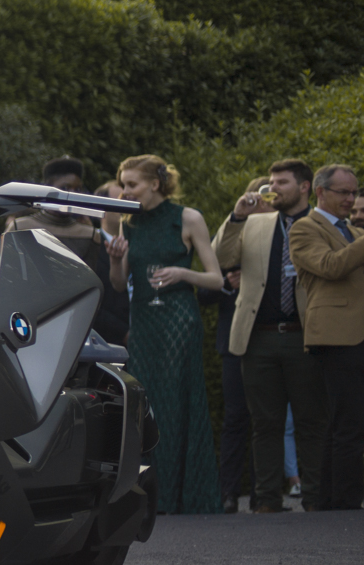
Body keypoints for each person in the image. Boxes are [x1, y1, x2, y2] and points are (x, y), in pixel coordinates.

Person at [107, 154, 223, 514]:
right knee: (148, 406)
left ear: (155, 184)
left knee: (177, 401)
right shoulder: (128, 221)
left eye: (132, 184)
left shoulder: (188, 218)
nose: (125, 191)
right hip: (143, 322)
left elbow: (216, 279)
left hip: (178, 320)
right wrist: (114, 259)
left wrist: (182, 273)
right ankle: (152, 496)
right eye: (123, 185)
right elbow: (118, 284)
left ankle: (182, 495)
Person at [212, 160, 327, 513]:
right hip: (258, 336)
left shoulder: (320, 224)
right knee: (265, 423)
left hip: (305, 334)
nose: (273, 188)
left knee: (311, 421)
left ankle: (316, 497)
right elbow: (219, 257)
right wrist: (236, 217)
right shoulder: (255, 222)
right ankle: (265, 500)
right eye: (271, 182)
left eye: (282, 182)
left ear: (304, 187)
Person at [289, 165, 364, 511]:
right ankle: (343, 500)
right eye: (343, 192)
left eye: (354, 192)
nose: (351, 199)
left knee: (346, 421)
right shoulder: (305, 228)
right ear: (320, 192)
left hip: (356, 333)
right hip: (336, 335)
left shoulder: (352, 231)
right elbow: (331, 266)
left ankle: (329, 499)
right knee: (347, 421)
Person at [11, 156, 130, 346]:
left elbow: (90, 289)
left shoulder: (90, 235)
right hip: (29, 321)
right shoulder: (21, 227)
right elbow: (10, 281)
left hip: (74, 325)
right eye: (65, 188)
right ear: (49, 188)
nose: (72, 194)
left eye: (77, 189)